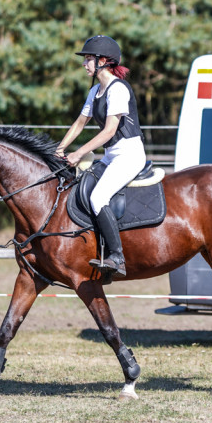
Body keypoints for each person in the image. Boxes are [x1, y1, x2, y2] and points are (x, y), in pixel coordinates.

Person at [56, 35, 145, 277]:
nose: (84, 64)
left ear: (103, 61)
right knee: (80, 187)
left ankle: (117, 257)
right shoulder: (96, 89)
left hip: (129, 155)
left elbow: (108, 131)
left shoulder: (118, 89)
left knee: (97, 197)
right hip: (110, 156)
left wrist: (79, 152)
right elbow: (79, 123)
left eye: (88, 60)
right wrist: (60, 149)